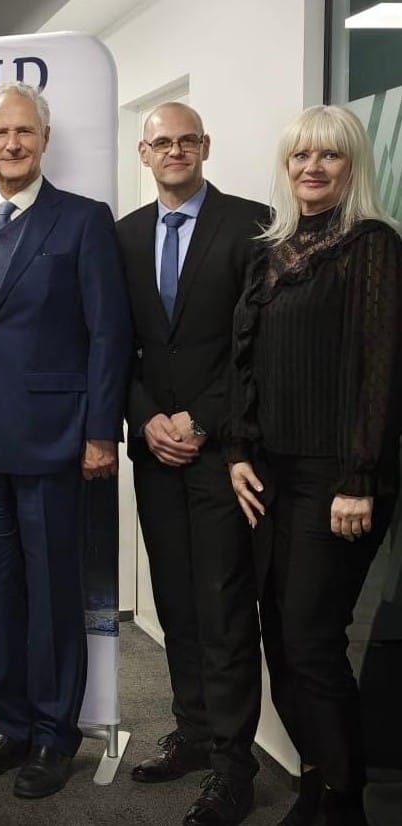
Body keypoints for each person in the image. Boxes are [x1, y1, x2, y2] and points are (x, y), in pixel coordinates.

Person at [0, 81, 131, 799]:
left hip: (56, 442)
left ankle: (54, 735)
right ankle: (12, 723)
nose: (12, 143)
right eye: (0, 133)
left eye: (24, 131)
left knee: (52, 596)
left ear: (44, 139)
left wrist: (101, 432)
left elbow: (109, 333)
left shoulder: (83, 220)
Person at [228, 105, 402, 826]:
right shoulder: (271, 252)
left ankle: (344, 801)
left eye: (329, 155)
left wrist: (359, 478)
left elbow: (381, 372)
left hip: (337, 480)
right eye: (301, 155)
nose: (312, 167)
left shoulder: (372, 246)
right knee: (278, 636)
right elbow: (246, 364)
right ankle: (314, 782)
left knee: (311, 640)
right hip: (271, 477)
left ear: (352, 166)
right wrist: (238, 451)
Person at [117, 103, 266, 826]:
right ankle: (195, 732)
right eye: (161, 142)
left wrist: (201, 420)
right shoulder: (124, 235)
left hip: (220, 453)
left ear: (204, 146)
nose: (174, 151)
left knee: (223, 606)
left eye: (186, 141)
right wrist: (145, 417)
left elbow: (256, 345)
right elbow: (116, 343)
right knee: (175, 600)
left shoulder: (251, 225)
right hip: (154, 450)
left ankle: (236, 767)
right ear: (143, 153)